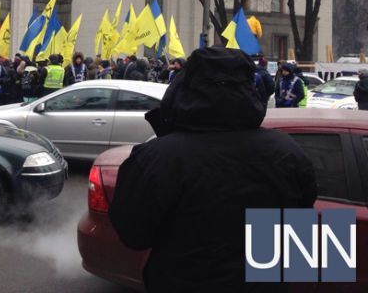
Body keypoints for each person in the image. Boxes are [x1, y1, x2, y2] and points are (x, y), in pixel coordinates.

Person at [110, 47, 316, 293]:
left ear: (185, 90)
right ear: (250, 91)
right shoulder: (289, 152)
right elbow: (301, 229)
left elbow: (134, 236)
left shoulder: (157, 158)